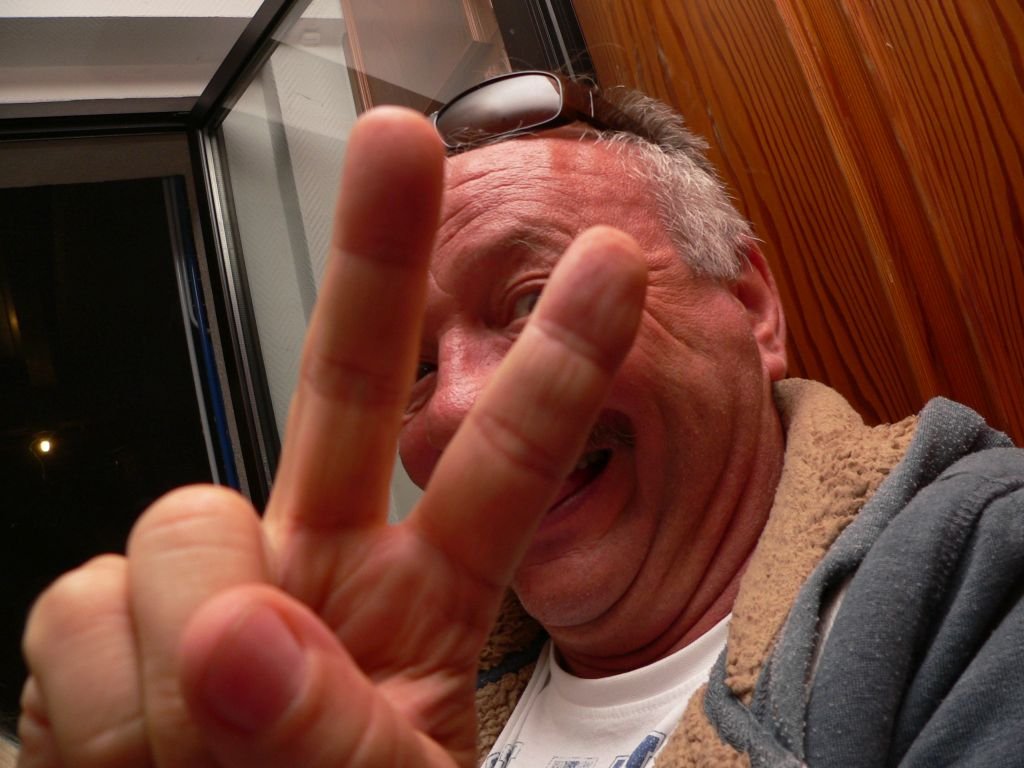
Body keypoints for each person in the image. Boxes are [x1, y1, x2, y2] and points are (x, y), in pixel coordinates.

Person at [15, 72, 1024, 768]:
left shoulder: (983, 582)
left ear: (751, 307)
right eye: (415, 370)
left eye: (537, 303)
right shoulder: (384, 691)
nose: (456, 406)